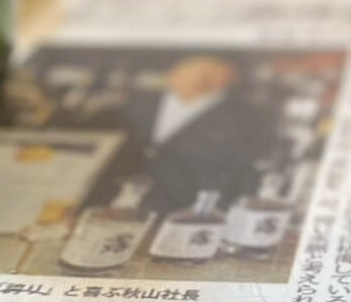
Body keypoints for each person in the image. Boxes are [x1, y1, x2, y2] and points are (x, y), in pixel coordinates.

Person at [85, 54, 277, 216]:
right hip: (111, 207)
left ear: (230, 75)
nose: (198, 75)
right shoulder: (137, 104)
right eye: (190, 65)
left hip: (183, 215)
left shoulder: (248, 117)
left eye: (212, 69)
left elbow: (243, 175)